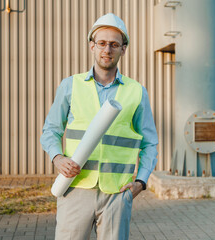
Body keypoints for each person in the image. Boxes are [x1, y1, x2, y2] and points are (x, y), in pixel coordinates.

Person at [40, 13, 158, 240]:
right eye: (102, 43)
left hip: (117, 193)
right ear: (92, 46)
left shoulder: (136, 91)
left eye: (114, 45)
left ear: (123, 49)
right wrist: (57, 158)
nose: (107, 50)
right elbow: (50, 131)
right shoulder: (70, 86)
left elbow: (150, 142)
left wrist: (141, 183)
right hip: (76, 188)